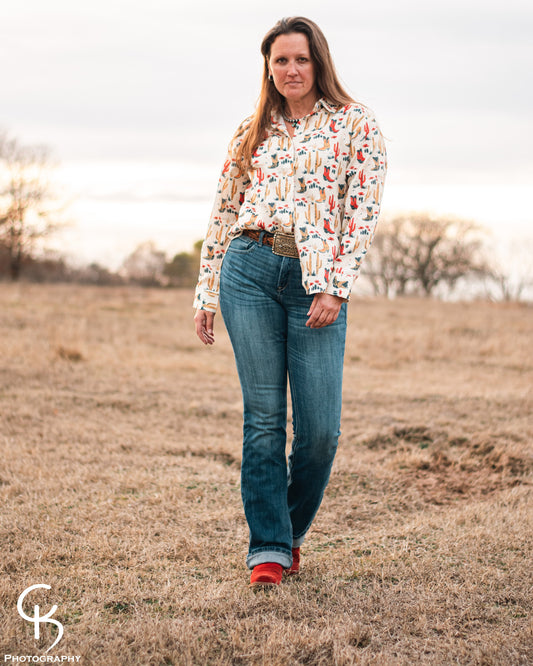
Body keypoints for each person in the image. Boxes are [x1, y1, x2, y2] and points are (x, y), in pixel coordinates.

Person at [193, 16, 387, 587]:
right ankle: (270, 552)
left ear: (318, 61)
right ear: (268, 67)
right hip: (247, 269)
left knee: (321, 430)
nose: (291, 70)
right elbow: (223, 213)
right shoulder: (251, 131)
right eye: (280, 61)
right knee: (263, 422)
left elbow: (362, 213)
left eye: (300, 59)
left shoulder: (356, 125)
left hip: (314, 280)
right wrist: (206, 290)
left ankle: (288, 530)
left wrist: (334, 285)